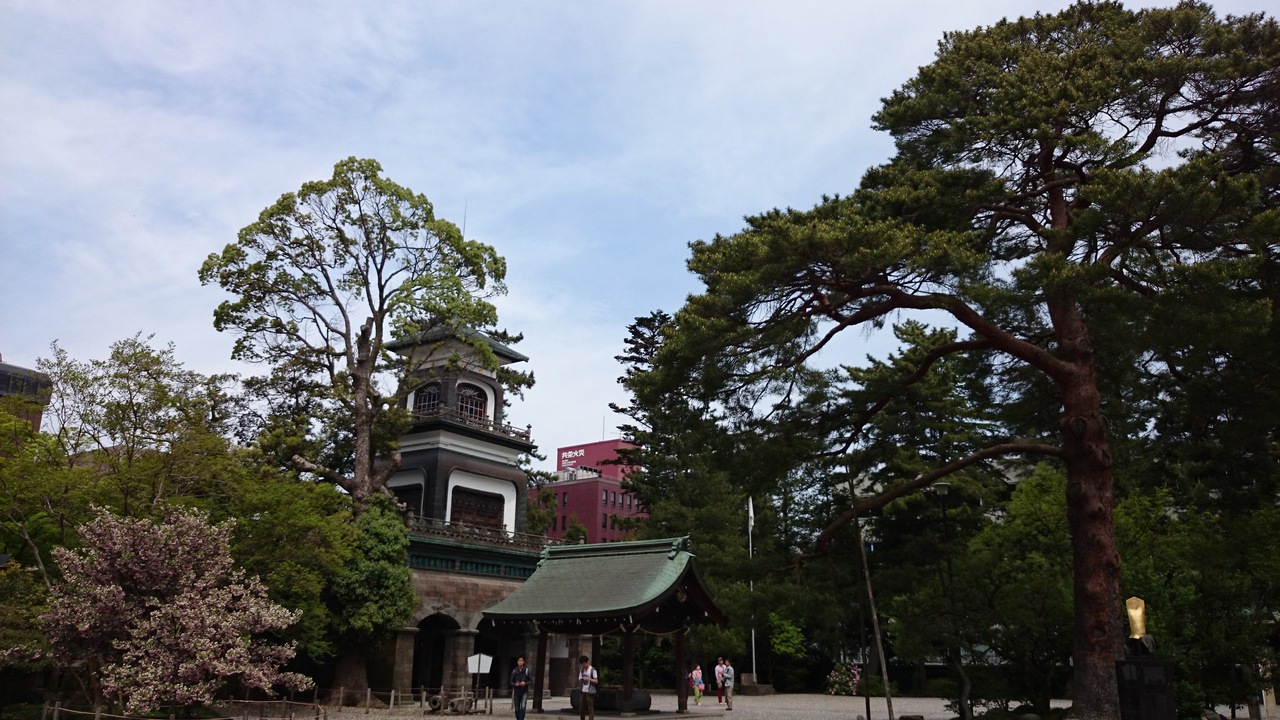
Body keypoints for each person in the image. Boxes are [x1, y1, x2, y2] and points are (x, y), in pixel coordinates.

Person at [510, 655, 531, 720]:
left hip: (524, 691)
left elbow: (530, 680)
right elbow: (511, 681)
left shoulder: (526, 670)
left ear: (524, 662)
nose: (520, 662)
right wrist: (515, 684)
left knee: (523, 707)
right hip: (516, 691)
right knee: (517, 709)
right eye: (519, 660)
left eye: (521, 660)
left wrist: (525, 683)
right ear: (517, 662)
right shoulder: (514, 671)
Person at [578, 655, 598, 720]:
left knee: (590, 708)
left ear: (587, 662)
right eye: (582, 664)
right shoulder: (582, 670)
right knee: (581, 708)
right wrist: (582, 679)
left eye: (584, 663)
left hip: (590, 691)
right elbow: (579, 678)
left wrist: (589, 679)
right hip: (583, 691)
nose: (583, 665)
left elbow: (596, 681)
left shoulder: (592, 670)